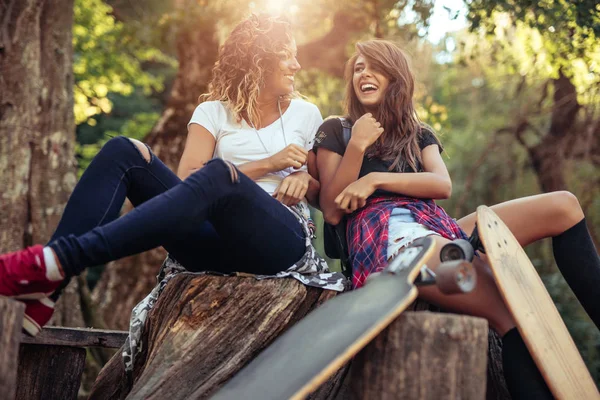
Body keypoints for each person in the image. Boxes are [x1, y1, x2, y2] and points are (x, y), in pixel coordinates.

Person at [0, 13, 345, 337]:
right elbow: (192, 178)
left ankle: (54, 261)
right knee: (124, 150)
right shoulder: (212, 112)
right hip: (211, 244)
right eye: (286, 55)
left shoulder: (306, 113)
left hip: (277, 240)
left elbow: (320, 192)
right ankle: (46, 292)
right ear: (258, 59)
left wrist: (303, 178)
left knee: (220, 174)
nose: (296, 65)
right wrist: (268, 163)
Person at [313, 39, 600, 399]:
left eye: (375, 67)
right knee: (510, 315)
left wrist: (375, 179)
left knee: (564, 205)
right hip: (389, 239)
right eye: (358, 67)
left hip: (438, 225)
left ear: (395, 78)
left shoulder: (417, 133)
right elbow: (334, 208)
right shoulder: (337, 130)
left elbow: (441, 183)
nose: (364, 73)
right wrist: (357, 145)